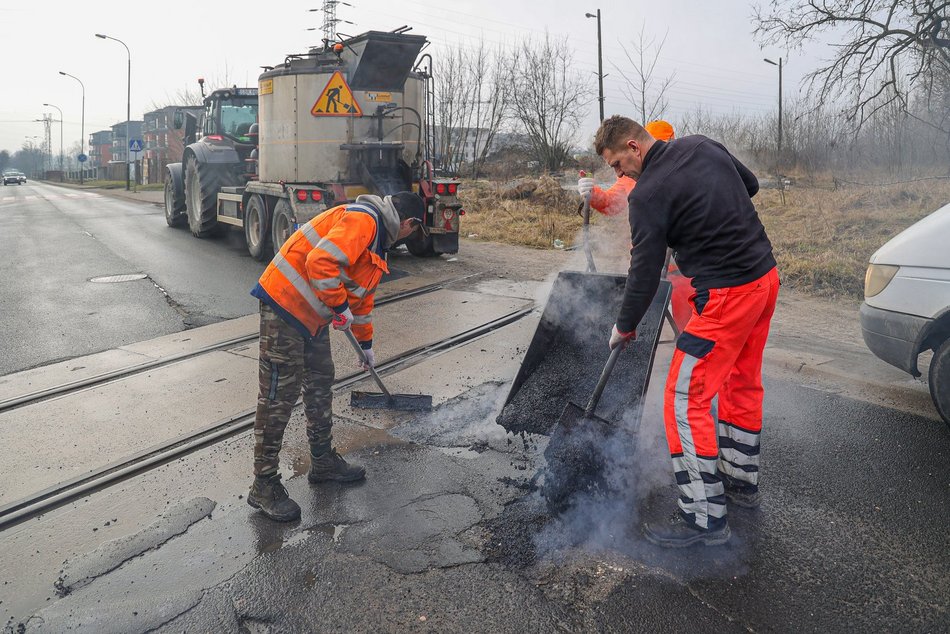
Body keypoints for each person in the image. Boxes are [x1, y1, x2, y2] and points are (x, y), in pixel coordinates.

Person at [594, 115, 779, 547]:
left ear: (634, 147)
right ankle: (739, 482)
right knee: (741, 381)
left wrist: (624, 326)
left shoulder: (649, 195)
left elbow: (643, 273)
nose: (619, 175)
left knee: (683, 396)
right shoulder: (703, 144)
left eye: (618, 165)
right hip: (765, 279)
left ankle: (703, 517)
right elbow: (748, 185)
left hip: (727, 295)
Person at [247, 192, 425, 521]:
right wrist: (339, 306)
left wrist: (366, 345)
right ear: (410, 223)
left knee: (320, 380)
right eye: (416, 230)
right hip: (284, 303)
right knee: (279, 396)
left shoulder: (377, 244)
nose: (413, 236)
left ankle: (322, 462)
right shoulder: (364, 220)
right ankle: (264, 485)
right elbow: (320, 263)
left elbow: (361, 303)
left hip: (311, 314)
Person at [578, 120, 692, 332]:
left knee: (689, 327)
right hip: (648, 264)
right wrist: (591, 193)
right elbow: (611, 202)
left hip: (683, 269)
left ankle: (686, 355)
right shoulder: (631, 175)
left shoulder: (683, 169)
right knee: (641, 318)